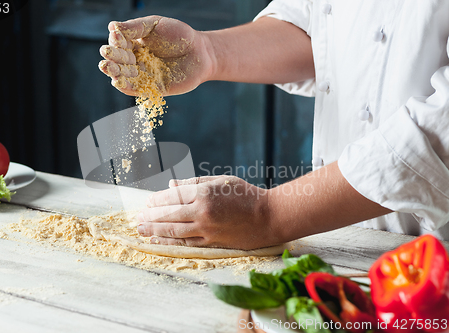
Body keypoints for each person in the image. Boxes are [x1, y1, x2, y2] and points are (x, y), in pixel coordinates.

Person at [98, 0, 449, 249]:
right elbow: (318, 28)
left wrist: (268, 215)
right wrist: (209, 52)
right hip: (348, 243)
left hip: (439, 251)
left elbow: (440, 130)